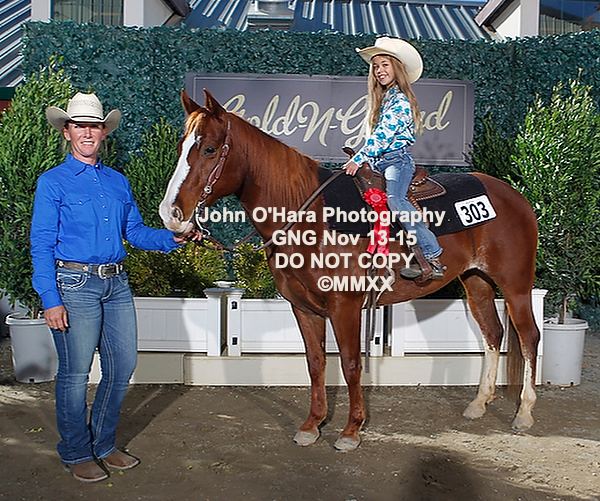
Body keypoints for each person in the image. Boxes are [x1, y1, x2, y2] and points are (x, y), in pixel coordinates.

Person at [30, 92, 199, 482]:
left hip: (116, 284)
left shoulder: (117, 182)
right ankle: (76, 451)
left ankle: (104, 445)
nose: (87, 133)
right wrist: (50, 299)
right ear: (67, 132)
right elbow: (41, 245)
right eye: (80, 126)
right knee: (75, 375)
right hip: (73, 285)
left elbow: (134, 232)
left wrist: (172, 238)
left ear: (104, 132)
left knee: (122, 367)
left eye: (94, 126)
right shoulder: (52, 183)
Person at [344, 36, 444, 280]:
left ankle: (432, 254)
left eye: (385, 64)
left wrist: (359, 158)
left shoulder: (399, 101)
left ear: (397, 68)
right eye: (375, 66)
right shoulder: (385, 99)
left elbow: (383, 135)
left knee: (395, 199)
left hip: (397, 161)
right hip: (380, 161)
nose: (379, 70)